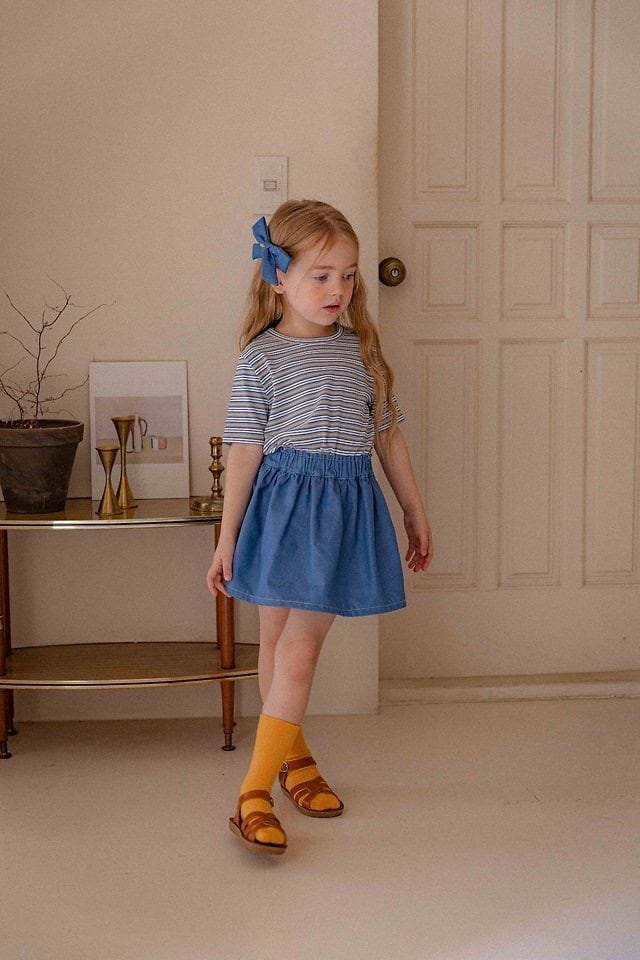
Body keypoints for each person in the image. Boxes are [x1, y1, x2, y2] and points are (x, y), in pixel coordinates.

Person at [207, 199, 433, 856]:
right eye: (322, 275)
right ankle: (290, 764)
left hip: (338, 515)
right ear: (278, 277)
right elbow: (244, 450)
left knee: (298, 652)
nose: (339, 290)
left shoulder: (361, 352)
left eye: (349, 276)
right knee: (275, 645)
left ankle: (253, 790)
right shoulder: (260, 359)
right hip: (279, 513)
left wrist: (413, 509)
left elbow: (388, 437)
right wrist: (227, 539)